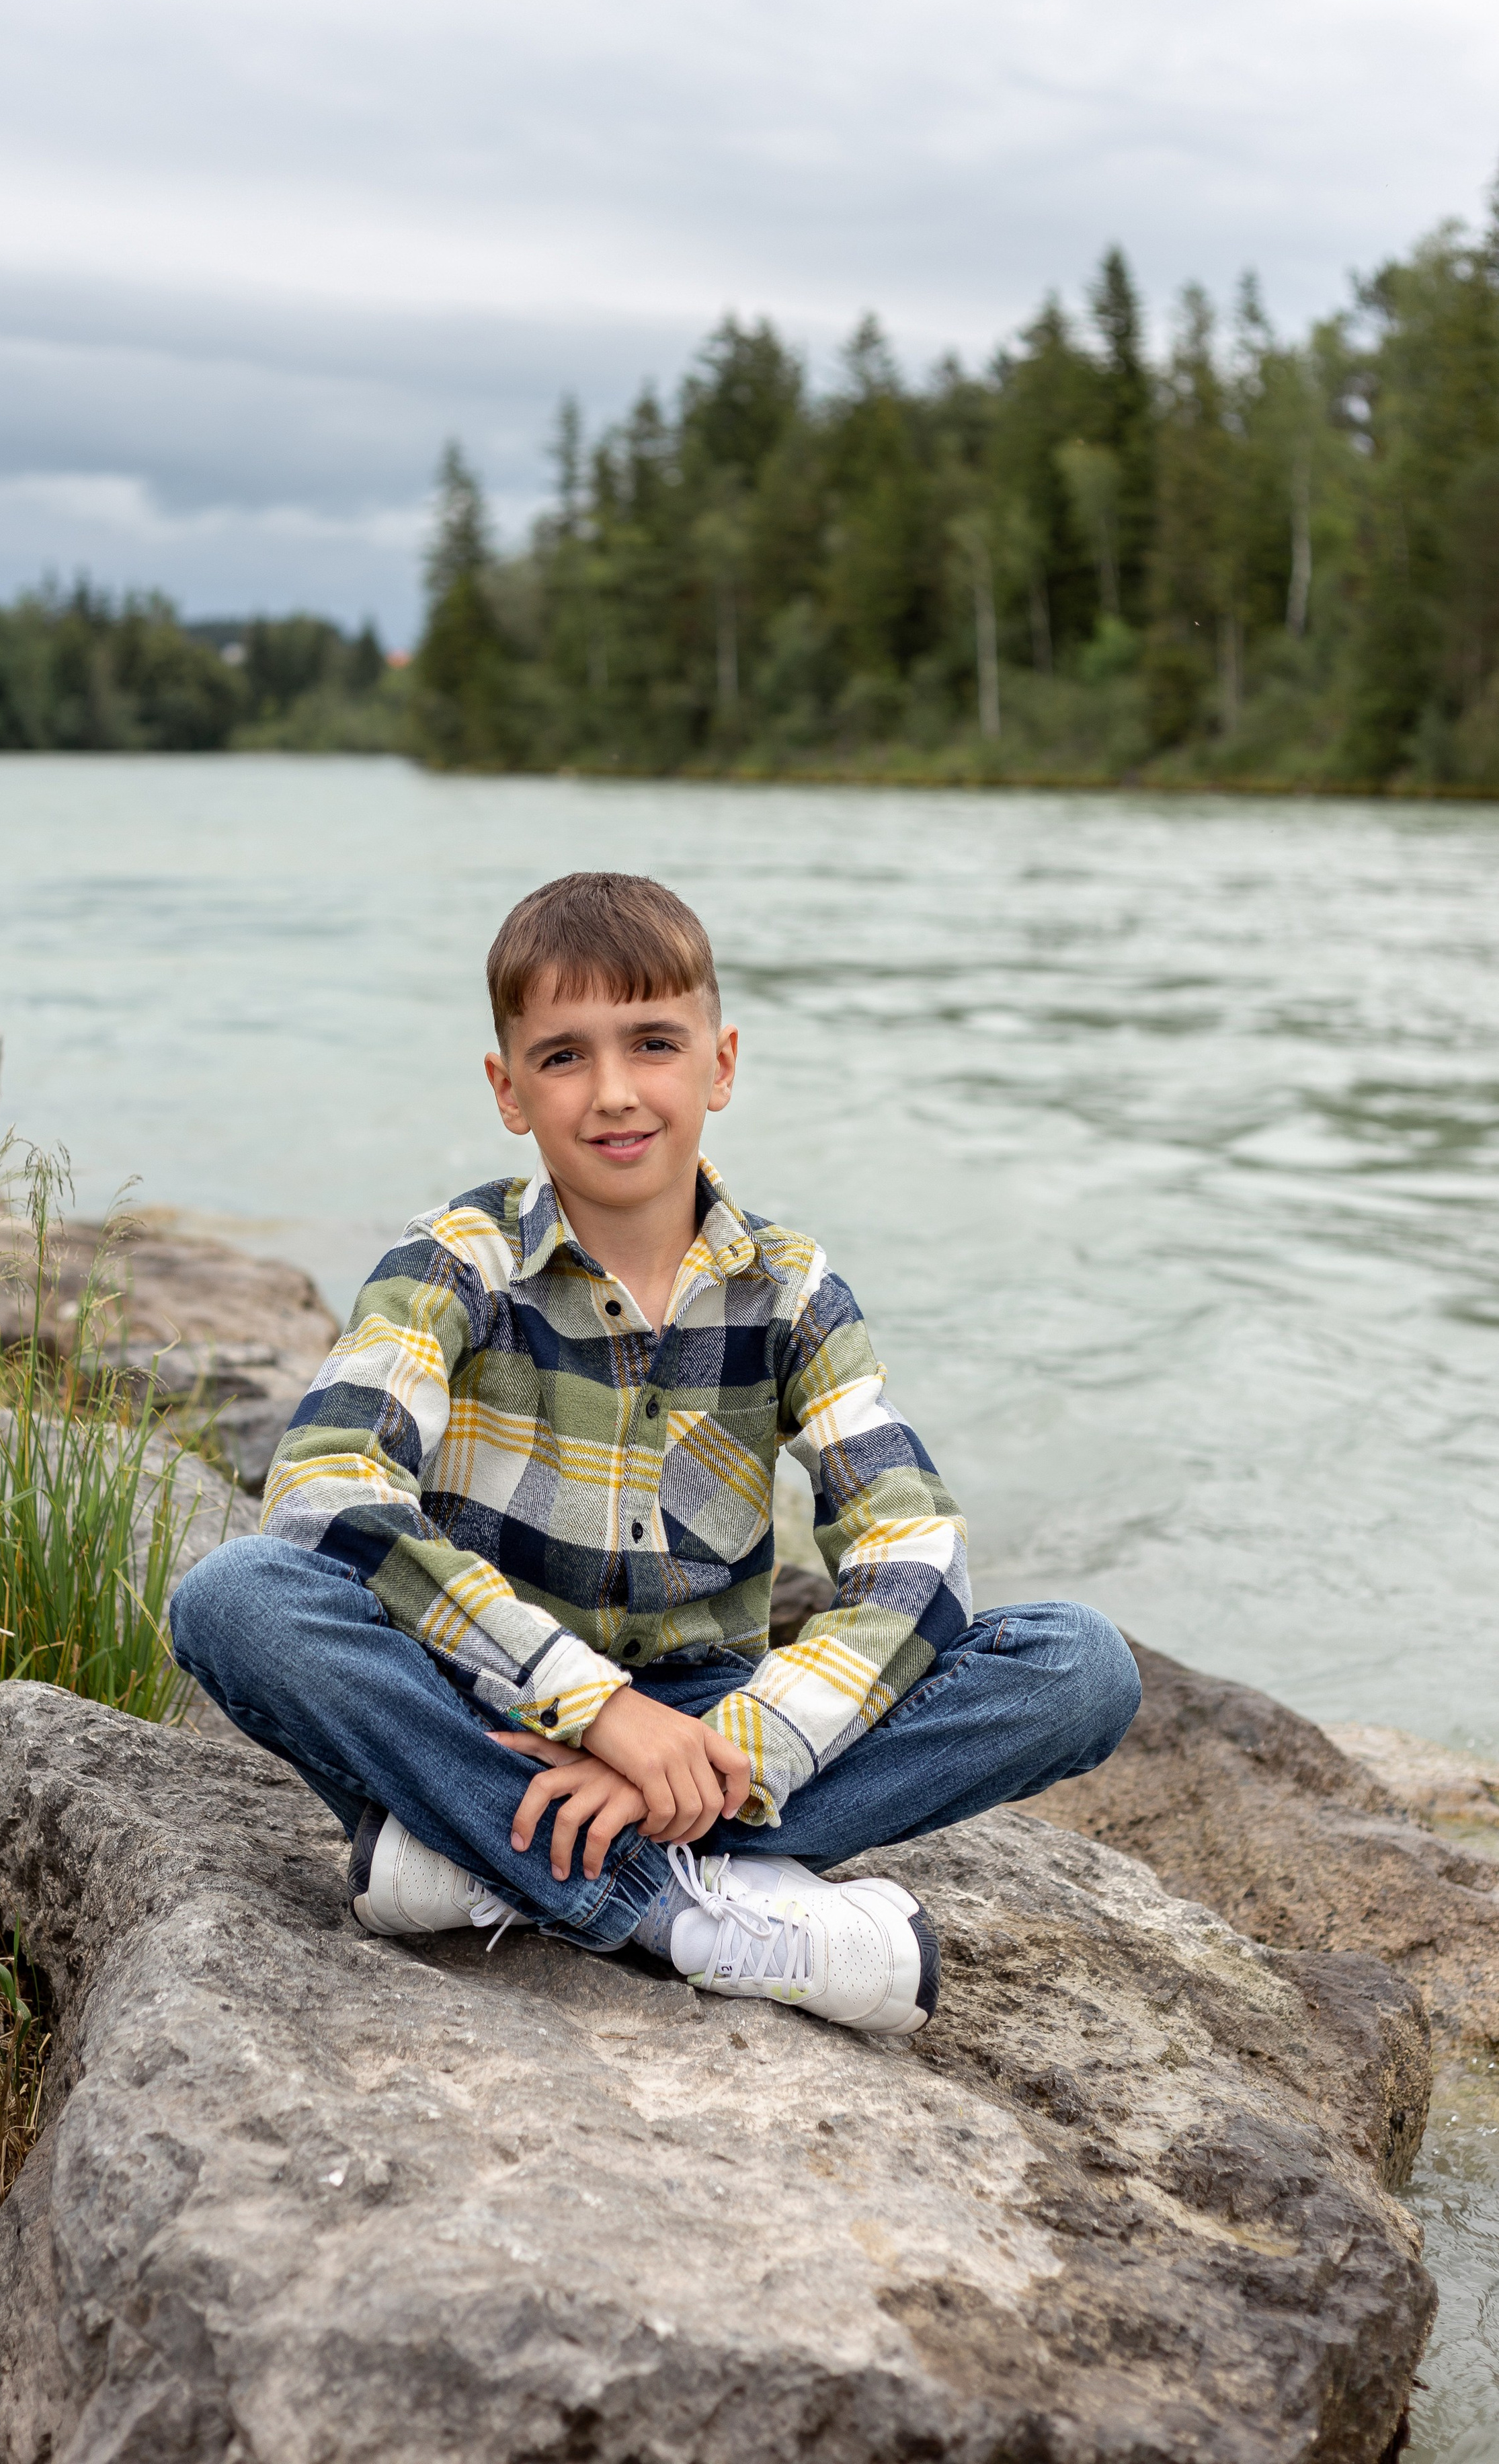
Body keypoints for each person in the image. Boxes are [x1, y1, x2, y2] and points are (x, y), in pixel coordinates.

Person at [170, 871, 1140, 2034]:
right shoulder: (453, 1262)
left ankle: (483, 1857)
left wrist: (727, 1744)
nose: (616, 1092)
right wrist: (594, 1711)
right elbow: (328, 1490)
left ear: (720, 1064)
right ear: (508, 1089)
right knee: (237, 1597)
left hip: (706, 1718)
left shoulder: (794, 1293)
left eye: (654, 1043)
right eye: (565, 1056)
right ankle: (677, 1909)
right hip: (487, 1698)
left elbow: (913, 1545)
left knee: (1080, 1665)